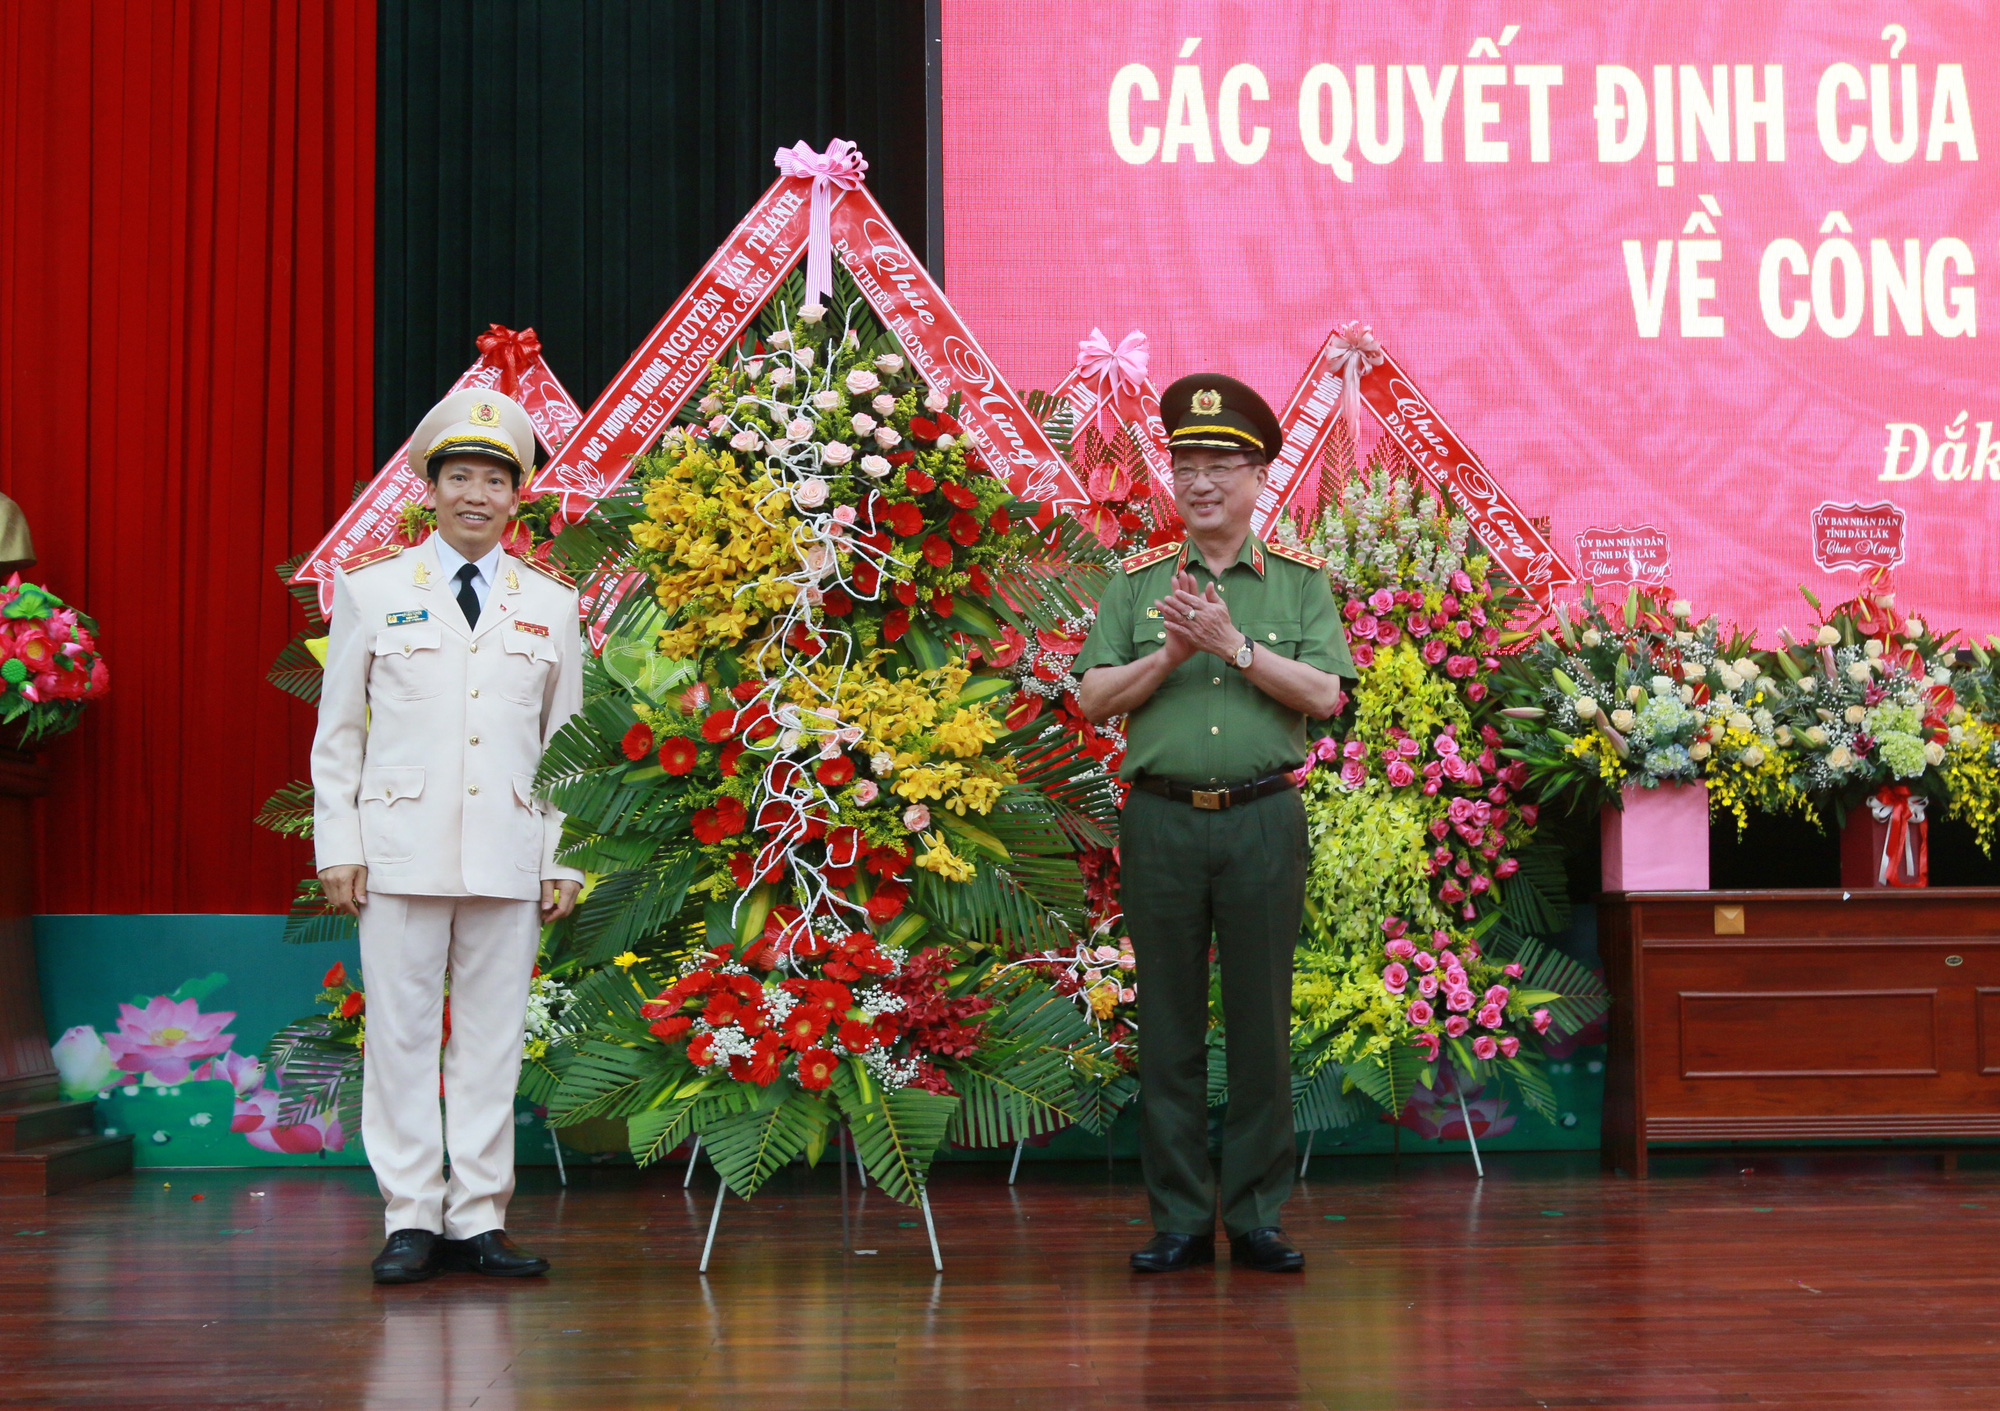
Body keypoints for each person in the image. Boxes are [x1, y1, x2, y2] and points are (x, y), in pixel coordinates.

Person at [1075, 374, 1354, 1274]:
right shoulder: (1138, 586)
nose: (1199, 481)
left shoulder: (1302, 584)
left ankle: (1259, 1215)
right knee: (1167, 1027)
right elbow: (1090, 698)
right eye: (1184, 463)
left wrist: (1236, 647)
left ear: (1258, 473)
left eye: (1219, 464)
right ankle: (1182, 1220)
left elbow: (1325, 694)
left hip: (1263, 821)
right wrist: (1169, 653)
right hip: (1160, 824)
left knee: (1262, 1023)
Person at [312, 387, 584, 1284]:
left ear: (518, 498)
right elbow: (339, 734)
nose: (476, 493)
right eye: (458, 476)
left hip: (508, 853)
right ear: (430, 489)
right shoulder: (373, 588)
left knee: (491, 1041)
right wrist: (337, 846)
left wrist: (565, 856)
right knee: (397, 1035)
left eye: (494, 480)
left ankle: (477, 1219)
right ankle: (409, 1218)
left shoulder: (554, 605)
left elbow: (567, 749)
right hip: (397, 851)